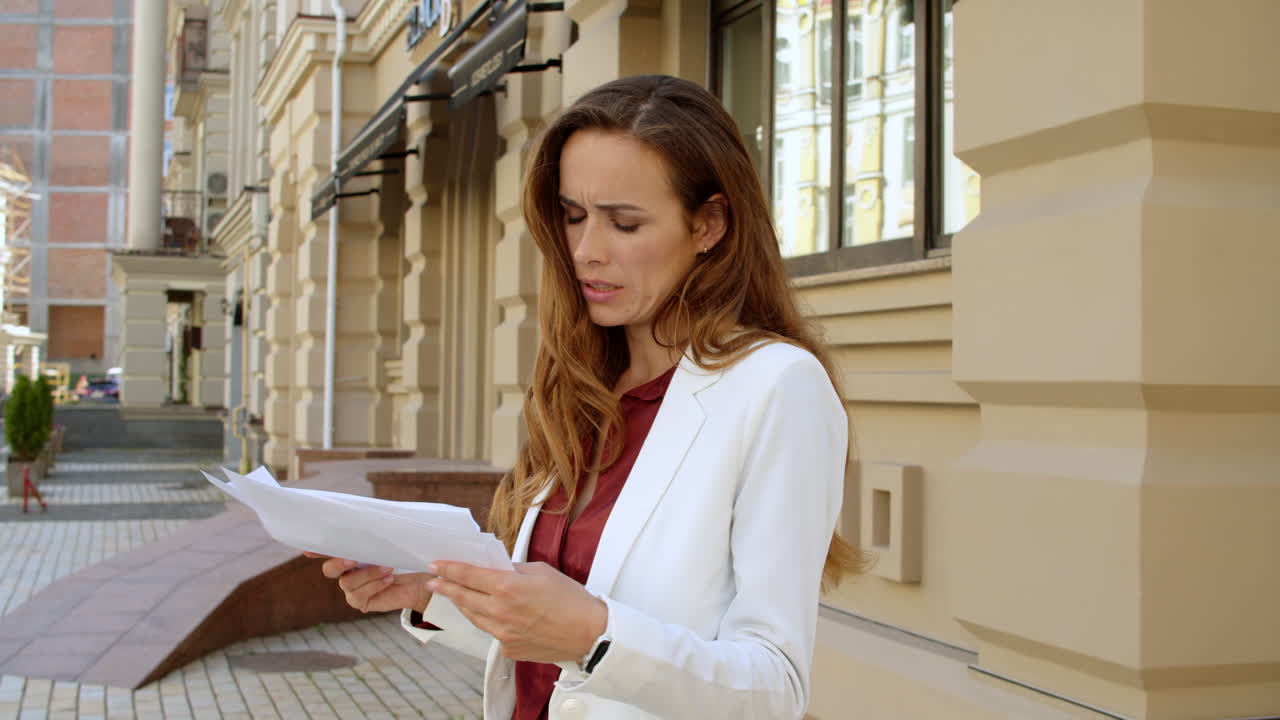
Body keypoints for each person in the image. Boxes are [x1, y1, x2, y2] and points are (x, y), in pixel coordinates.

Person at [314, 74, 859, 720]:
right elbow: (549, 652)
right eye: (573, 217)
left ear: (709, 224)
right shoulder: (585, 386)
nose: (586, 251)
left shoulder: (776, 389)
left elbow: (773, 688)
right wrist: (435, 595)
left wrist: (593, 632)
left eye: (624, 223)